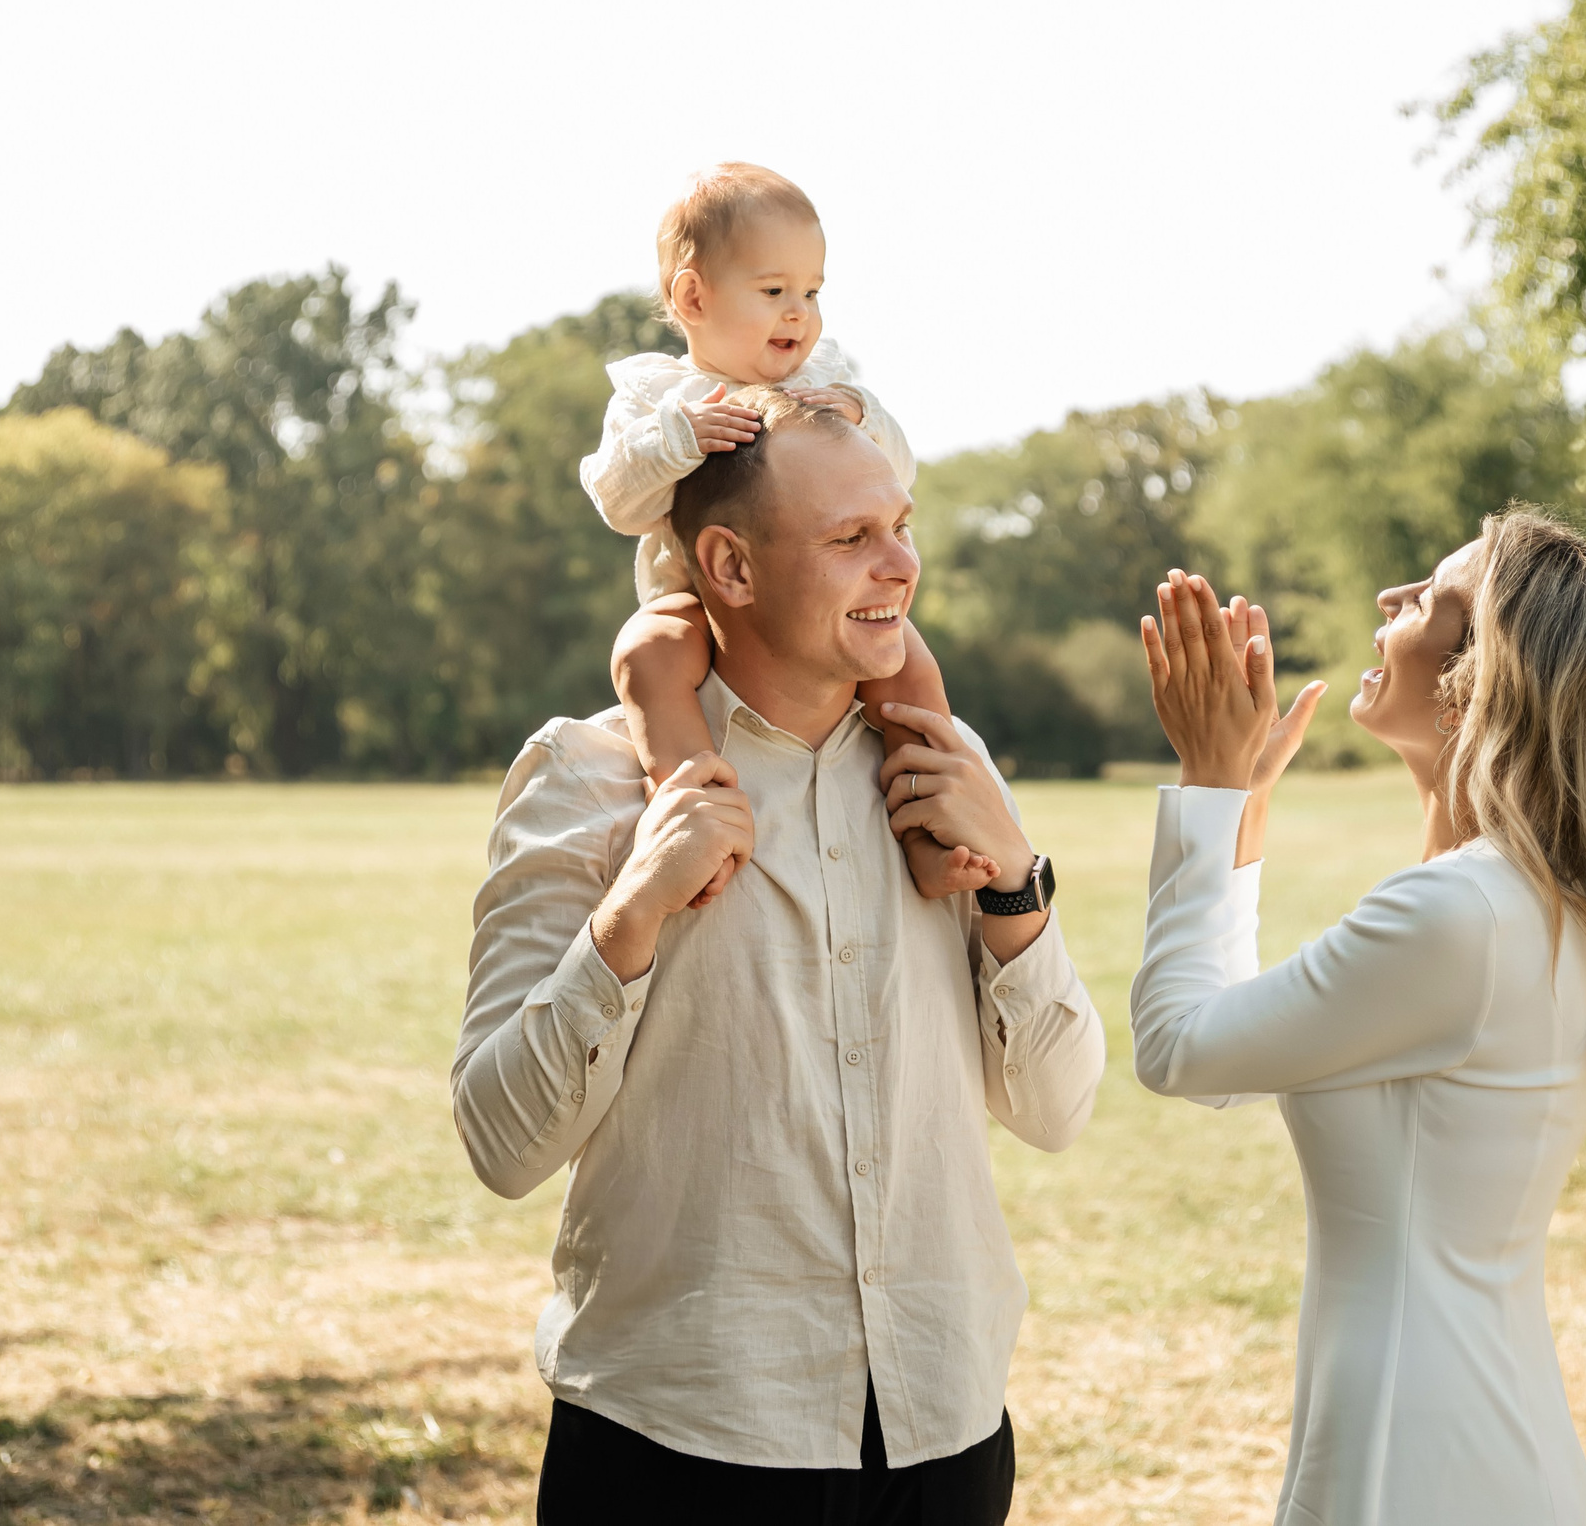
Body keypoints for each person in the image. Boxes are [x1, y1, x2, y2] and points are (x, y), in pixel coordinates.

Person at [458, 391, 1105, 1525]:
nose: (899, 564)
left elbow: (1057, 1108)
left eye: (901, 525)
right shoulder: (584, 778)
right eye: (851, 538)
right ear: (731, 567)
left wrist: (1012, 879)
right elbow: (503, 1144)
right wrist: (631, 914)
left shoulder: (947, 772)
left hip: (944, 1434)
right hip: (675, 1443)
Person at [1128, 511, 1586, 1526]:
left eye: (1431, 600)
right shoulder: (1521, 898)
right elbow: (1228, 1053)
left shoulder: (1457, 916)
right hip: (1470, 1432)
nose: (1389, 604)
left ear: (1480, 680)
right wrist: (1242, 806)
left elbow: (1180, 1051)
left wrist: (1209, 782)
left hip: (1413, 1459)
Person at [580, 161, 996, 902]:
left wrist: (860, 415)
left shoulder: (821, 383)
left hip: (812, 611)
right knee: (646, 654)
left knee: (908, 669)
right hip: (695, 606)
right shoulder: (661, 397)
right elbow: (619, 501)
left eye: (812, 292)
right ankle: (691, 810)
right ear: (693, 296)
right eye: (774, 292)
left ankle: (930, 833)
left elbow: (896, 474)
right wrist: (679, 439)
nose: (799, 313)